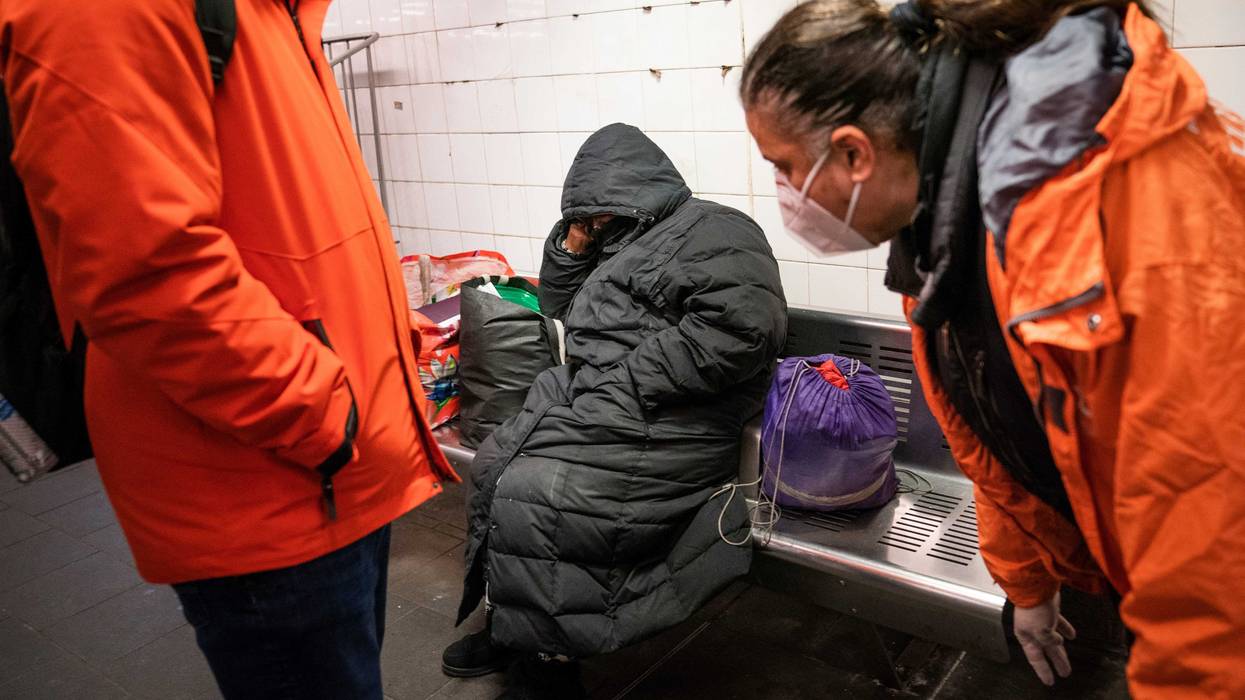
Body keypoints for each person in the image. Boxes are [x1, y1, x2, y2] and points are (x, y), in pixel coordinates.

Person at [740, 1, 1245, 697]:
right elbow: (987, 435)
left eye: (784, 165)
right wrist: (1026, 582)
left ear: (853, 152)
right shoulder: (950, 223)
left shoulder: (1111, 204)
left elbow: (1206, 541)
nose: (785, 193)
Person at [0, 1, 457, 697]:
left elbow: (284, 225)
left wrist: (391, 335)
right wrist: (321, 411)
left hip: (321, 460)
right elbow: (144, 269)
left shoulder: (274, 13)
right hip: (267, 475)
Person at [443, 123, 788, 698]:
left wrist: (630, 381)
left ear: (637, 191)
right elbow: (560, 306)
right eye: (587, 216)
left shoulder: (716, 229)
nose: (595, 225)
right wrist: (572, 244)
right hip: (599, 394)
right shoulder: (617, 240)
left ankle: (548, 663)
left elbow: (743, 330)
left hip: (679, 412)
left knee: (549, 493)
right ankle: (514, 626)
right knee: (497, 462)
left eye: (599, 213)